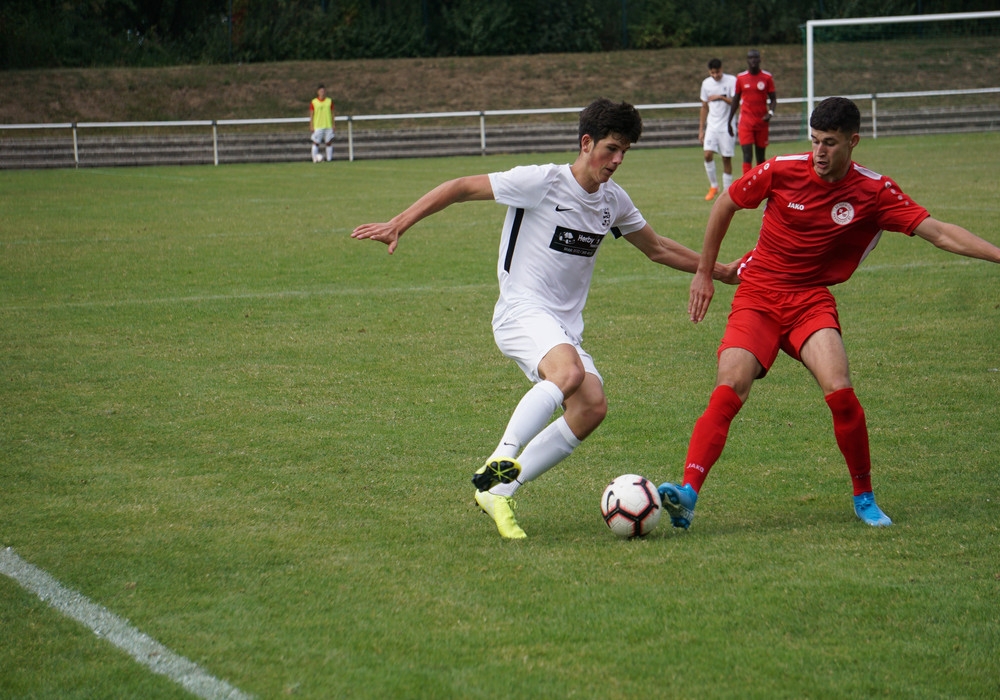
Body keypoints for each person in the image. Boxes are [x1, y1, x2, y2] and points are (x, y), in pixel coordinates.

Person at [352, 98, 739, 539]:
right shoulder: (541, 182)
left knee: (591, 406)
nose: (617, 160)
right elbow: (460, 186)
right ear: (586, 142)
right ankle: (501, 455)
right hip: (521, 311)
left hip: (561, 326)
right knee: (569, 373)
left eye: (625, 152)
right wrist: (399, 222)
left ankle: (498, 490)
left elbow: (658, 248)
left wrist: (719, 270)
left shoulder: (612, 202)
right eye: (611, 148)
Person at [657, 96, 1000, 530]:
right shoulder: (782, 169)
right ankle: (687, 493)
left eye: (830, 143)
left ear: (853, 142)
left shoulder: (875, 191)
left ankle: (864, 497)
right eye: (815, 141)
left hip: (809, 300)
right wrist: (705, 273)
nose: (819, 153)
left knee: (839, 388)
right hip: (759, 294)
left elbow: (940, 233)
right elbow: (724, 203)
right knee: (731, 386)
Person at [728, 49, 776, 175]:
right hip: (746, 123)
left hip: (761, 123)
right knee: (747, 155)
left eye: (755, 57)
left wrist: (770, 113)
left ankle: (761, 184)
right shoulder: (741, 78)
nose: (753, 60)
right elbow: (735, 100)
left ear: (760, 59)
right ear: (747, 60)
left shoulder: (767, 77)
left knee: (760, 157)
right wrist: (729, 121)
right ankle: (747, 185)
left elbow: (773, 98)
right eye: (750, 58)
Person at [698, 58, 738, 201]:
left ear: (722, 69)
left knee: (726, 159)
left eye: (718, 72)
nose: (715, 75)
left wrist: (721, 97)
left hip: (727, 126)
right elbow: (704, 106)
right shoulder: (706, 83)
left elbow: (736, 101)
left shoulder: (731, 80)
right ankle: (714, 186)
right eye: (712, 73)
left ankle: (727, 193)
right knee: (707, 154)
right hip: (712, 126)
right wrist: (701, 129)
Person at [310, 85, 335, 162]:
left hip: (328, 125)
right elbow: (311, 114)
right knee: (316, 142)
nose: (322, 93)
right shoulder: (314, 102)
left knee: (329, 142)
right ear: (318, 92)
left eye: (323, 91)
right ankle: (314, 159)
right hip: (318, 126)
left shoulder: (329, 101)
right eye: (321, 91)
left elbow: (332, 113)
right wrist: (311, 125)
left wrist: (333, 124)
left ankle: (329, 159)